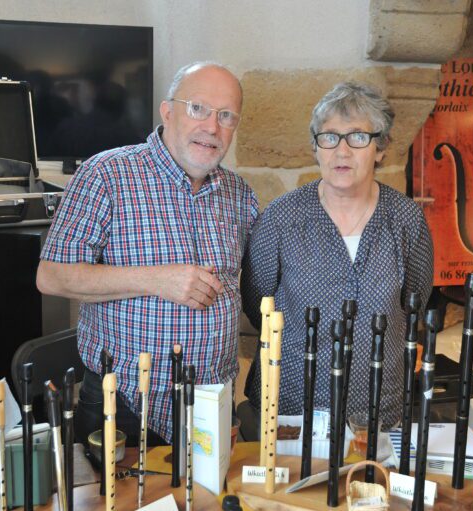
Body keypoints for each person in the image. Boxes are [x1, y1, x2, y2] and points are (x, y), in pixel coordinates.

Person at [37, 62, 258, 446]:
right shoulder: (106, 175)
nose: (212, 127)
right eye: (198, 108)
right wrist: (157, 279)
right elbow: (51, 275)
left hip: (212, 406)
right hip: (124, 404)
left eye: (226, 116)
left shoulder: (239, 194)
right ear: (167, 111)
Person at [240, 81, 433, 430]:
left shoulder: (406, 219)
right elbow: (257, 305)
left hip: (379, 405)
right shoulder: (281, 218)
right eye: (329, 137)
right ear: (316, 147)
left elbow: (414, 303)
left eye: (357, 137)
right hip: (291, 404)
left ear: (380, 148)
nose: (341, 151)